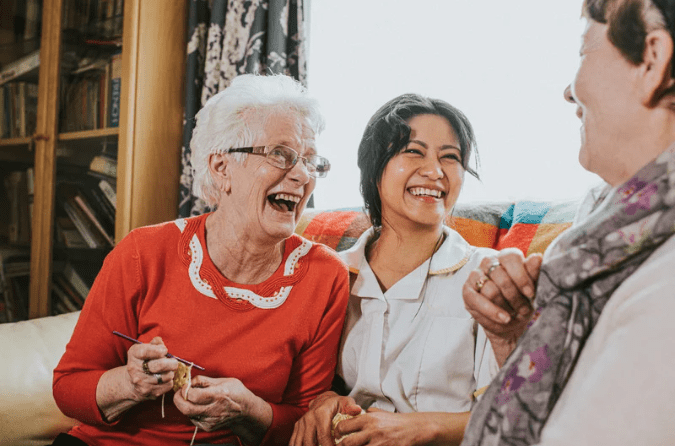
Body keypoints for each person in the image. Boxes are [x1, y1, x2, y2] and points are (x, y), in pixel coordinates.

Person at [51, 74, 350, 446]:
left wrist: (249, 410)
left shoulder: (325, 276)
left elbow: (305, 422)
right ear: (221, 167)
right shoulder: (143, 252)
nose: (304, 176)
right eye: (281, 154)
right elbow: (68, 388)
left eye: (310, 161)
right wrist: (129, 384)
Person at [461, 0, 675, 444]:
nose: (568, 91)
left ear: (652, 61)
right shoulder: (611, 229)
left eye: (584, 50)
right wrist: (525, 340)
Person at [291, 94, 534, 446]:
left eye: (450, 157)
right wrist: (324, 402)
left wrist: (421, 428)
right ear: (375, 167)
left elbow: (510, 415)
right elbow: (304, 389)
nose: (435, 171)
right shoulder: (332, 274)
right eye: (414, 151)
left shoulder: (487, 275)